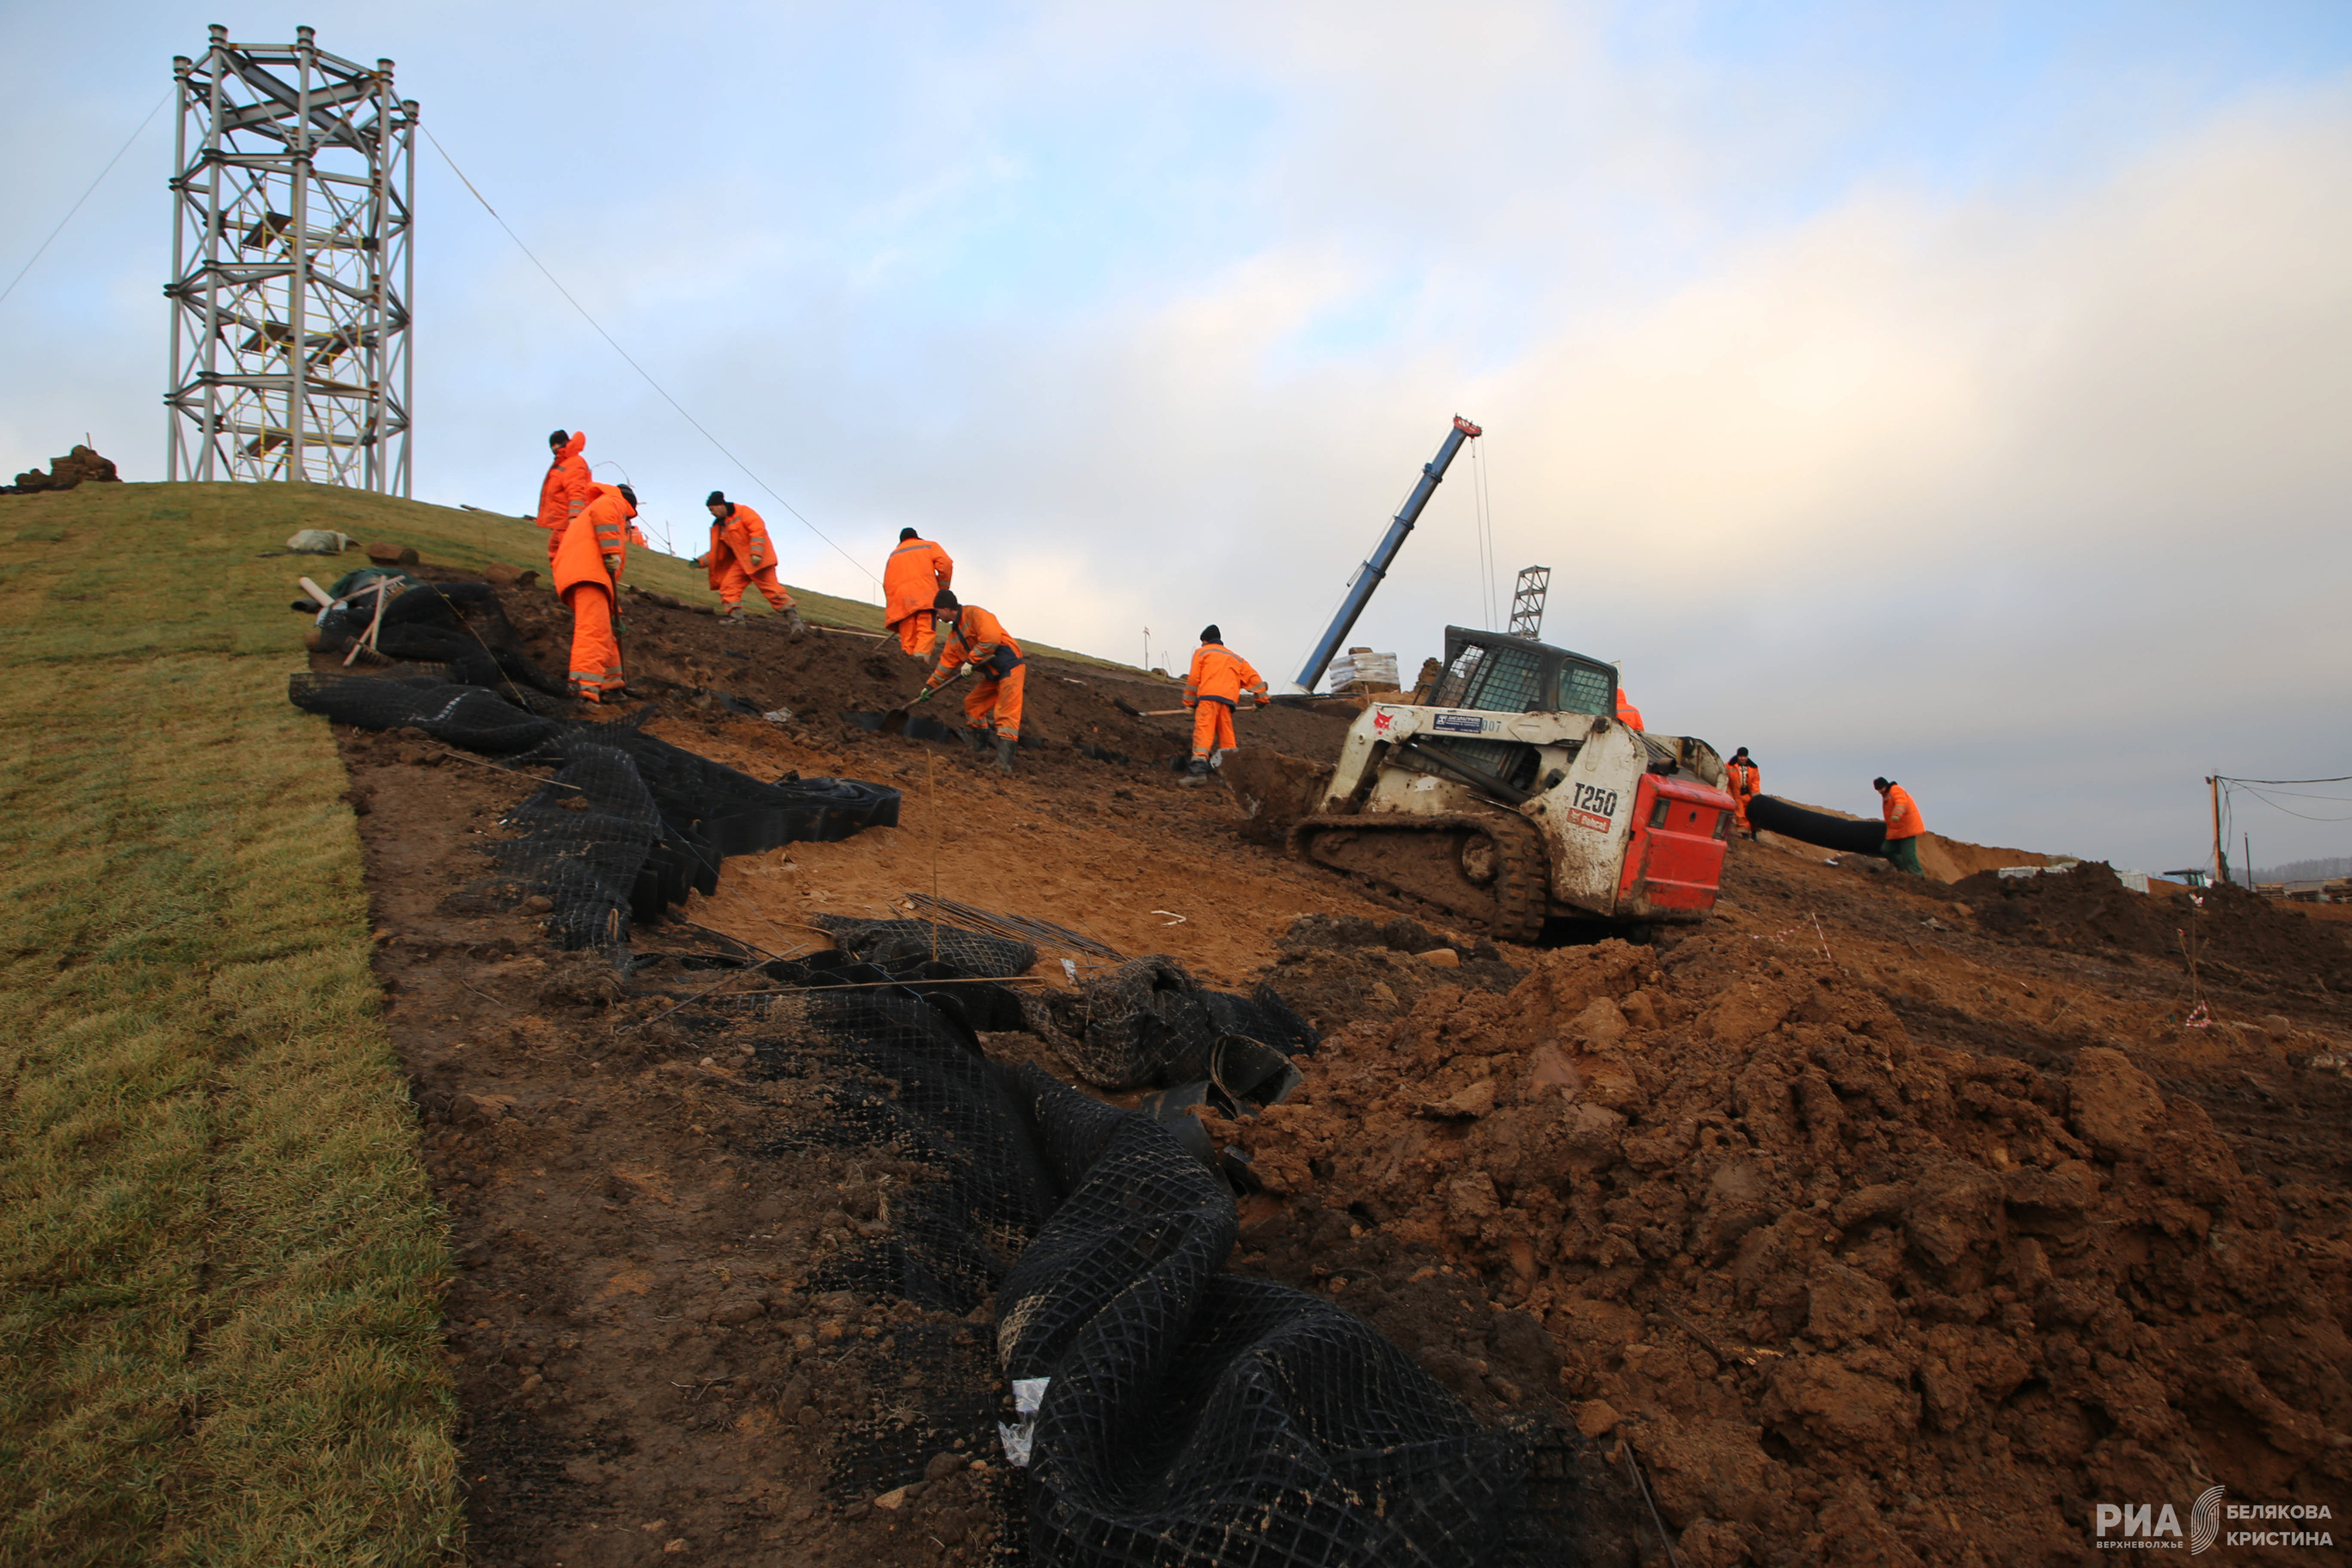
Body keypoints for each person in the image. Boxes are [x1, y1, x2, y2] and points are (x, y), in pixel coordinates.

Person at [916, 589, 1022, 772]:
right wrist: (930, 686)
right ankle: (980, 748)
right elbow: (946, 665)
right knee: (973, 705)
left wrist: (971, 661)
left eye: (938, 612)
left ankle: (1003, 763)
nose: (937, 617)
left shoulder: (975, 614)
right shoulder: (954, 636)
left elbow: (991, 639)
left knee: (1006, 713)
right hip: (992, 675)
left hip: (1009, 668)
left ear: (947, 608)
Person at [555, 481, 636, 702]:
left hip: (586, 576)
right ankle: (582, 690)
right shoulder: (613, 500)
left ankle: (611, 685)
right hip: (589, 577)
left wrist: (614, 609)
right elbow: (605, 512)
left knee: (604, 630)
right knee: (594, 631)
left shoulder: (590, 511)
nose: (627, 523)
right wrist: (612, 551)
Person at [695, 491, 805, 635]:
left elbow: (757, 530)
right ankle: (737, 620)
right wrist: (700, 561)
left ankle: (796, 624)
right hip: (742, 563)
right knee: (728, 587)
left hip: (760, 561)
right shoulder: (719, 526)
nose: (711, 513)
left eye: (712, 509)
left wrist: (756, 553)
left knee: (774, 592)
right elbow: (718, 552)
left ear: (720, 505)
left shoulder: (743, 512)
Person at [1180, 625, 1266, 781]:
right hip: (1227, 702)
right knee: (1227, 736)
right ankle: (1231, 775)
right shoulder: (1235, 658)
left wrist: (1189, 703)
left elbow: (1193, 680)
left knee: (1204, 732)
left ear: (1205, 641)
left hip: (1208, 699)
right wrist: (1261, 701)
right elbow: (1255, 680)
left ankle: (1198, 772)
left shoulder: (1202, 652)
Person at [883, 527, 954, 658]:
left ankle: (907, 665)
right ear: (917, 537)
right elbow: (946, 564)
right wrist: (942, 590)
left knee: (908, 639)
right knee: (925, 633)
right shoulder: (929, 546)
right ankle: (919, 663)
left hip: (902, 604)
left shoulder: (893, 556)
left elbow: (887, 585)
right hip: (925, 599)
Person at [536, 430, 591, 565]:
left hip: (567, 523)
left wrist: (574, 518)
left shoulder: (573, 462)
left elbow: (577, 491)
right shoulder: (564, 462)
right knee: (557, 557)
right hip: (561, 523)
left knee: (567, 558)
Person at [1874, 776, 1926, 875]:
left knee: (1908, 856)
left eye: (1881, 788)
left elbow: (1901, 802)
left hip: (1908, 828)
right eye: (1878, 790)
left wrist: (1897, 814)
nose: (1880, 791)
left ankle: (1918, 877)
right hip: (1896, 830)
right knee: (1886, 850)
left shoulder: (1895, 790)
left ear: (1885, 785)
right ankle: (1902, 869)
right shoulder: (1886, 795)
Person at [1724, 746, 1761, 835]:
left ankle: (1754, 832)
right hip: (1737, 795)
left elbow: (1755, 782)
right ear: (1738, 756)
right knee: (1740, 815)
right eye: (1741, 756)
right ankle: (1745, 834)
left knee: (1754, 813)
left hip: (1748, 795)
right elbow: (1726, 781)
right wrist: (1729, 795)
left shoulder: (1753, 767)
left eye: (1744, 756)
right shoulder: (1729, 766)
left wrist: (1756, 796)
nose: (1743, 758)